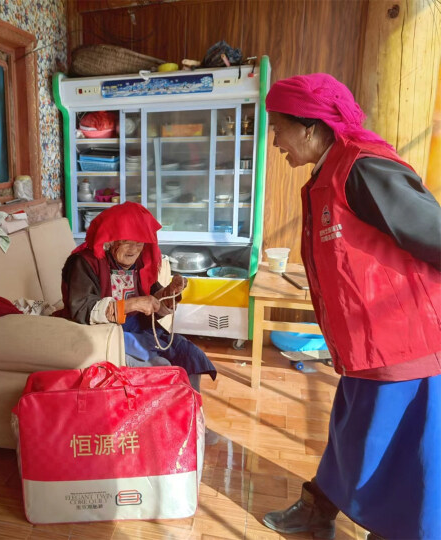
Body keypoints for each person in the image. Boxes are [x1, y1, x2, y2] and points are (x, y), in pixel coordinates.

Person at [261, 73, 441, 540]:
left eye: (278, 128)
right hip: (365, 346)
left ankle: (398, 530)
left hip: (402, 344)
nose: (275, 142)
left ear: (309, 126)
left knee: (398, 453)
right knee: (350, 435)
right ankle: (318, 511)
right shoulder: (330, 171)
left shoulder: (364, 169)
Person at [58, 202, 217, 387]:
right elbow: (82, 309)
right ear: (111, 239)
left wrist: (169, 293)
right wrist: (131, 304)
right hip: (104, 335)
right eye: (126, 241)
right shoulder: (85, 262)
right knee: (162, 367)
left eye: (139, 242)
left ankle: (191, 404)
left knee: (192, 356)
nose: (133, 249)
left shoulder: (140, 263)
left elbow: (153, 302)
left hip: (140, 330)